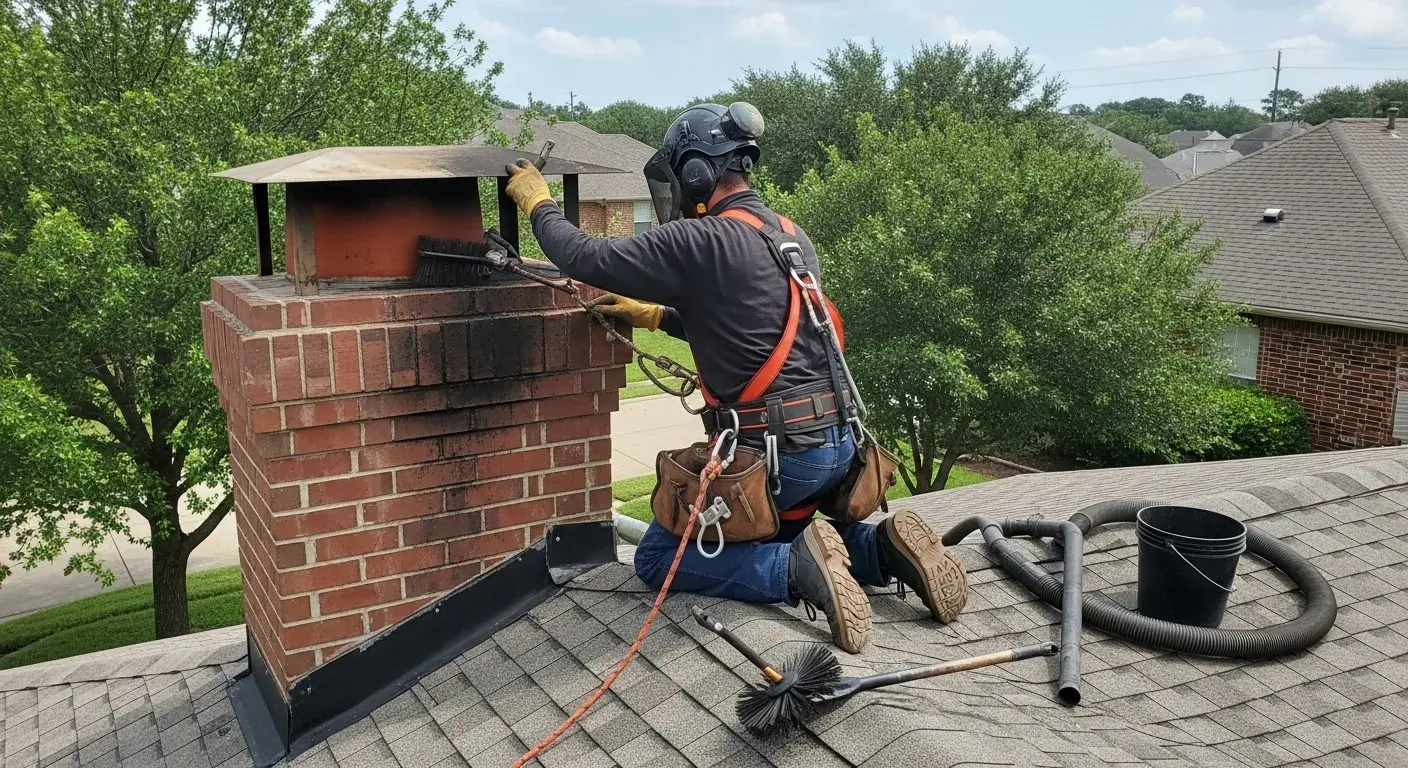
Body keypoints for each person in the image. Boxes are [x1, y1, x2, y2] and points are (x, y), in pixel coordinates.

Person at [502, 102, 966, 653]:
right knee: (791, 528)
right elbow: (751, 324)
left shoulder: (702, 240)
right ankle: (882, 550)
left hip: (779, 458)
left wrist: (539, 203)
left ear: (695, 173)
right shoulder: (790, 234)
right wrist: (655, 315)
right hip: (839, 451)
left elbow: (584, 256)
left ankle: (791, 573)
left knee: (655, 557)